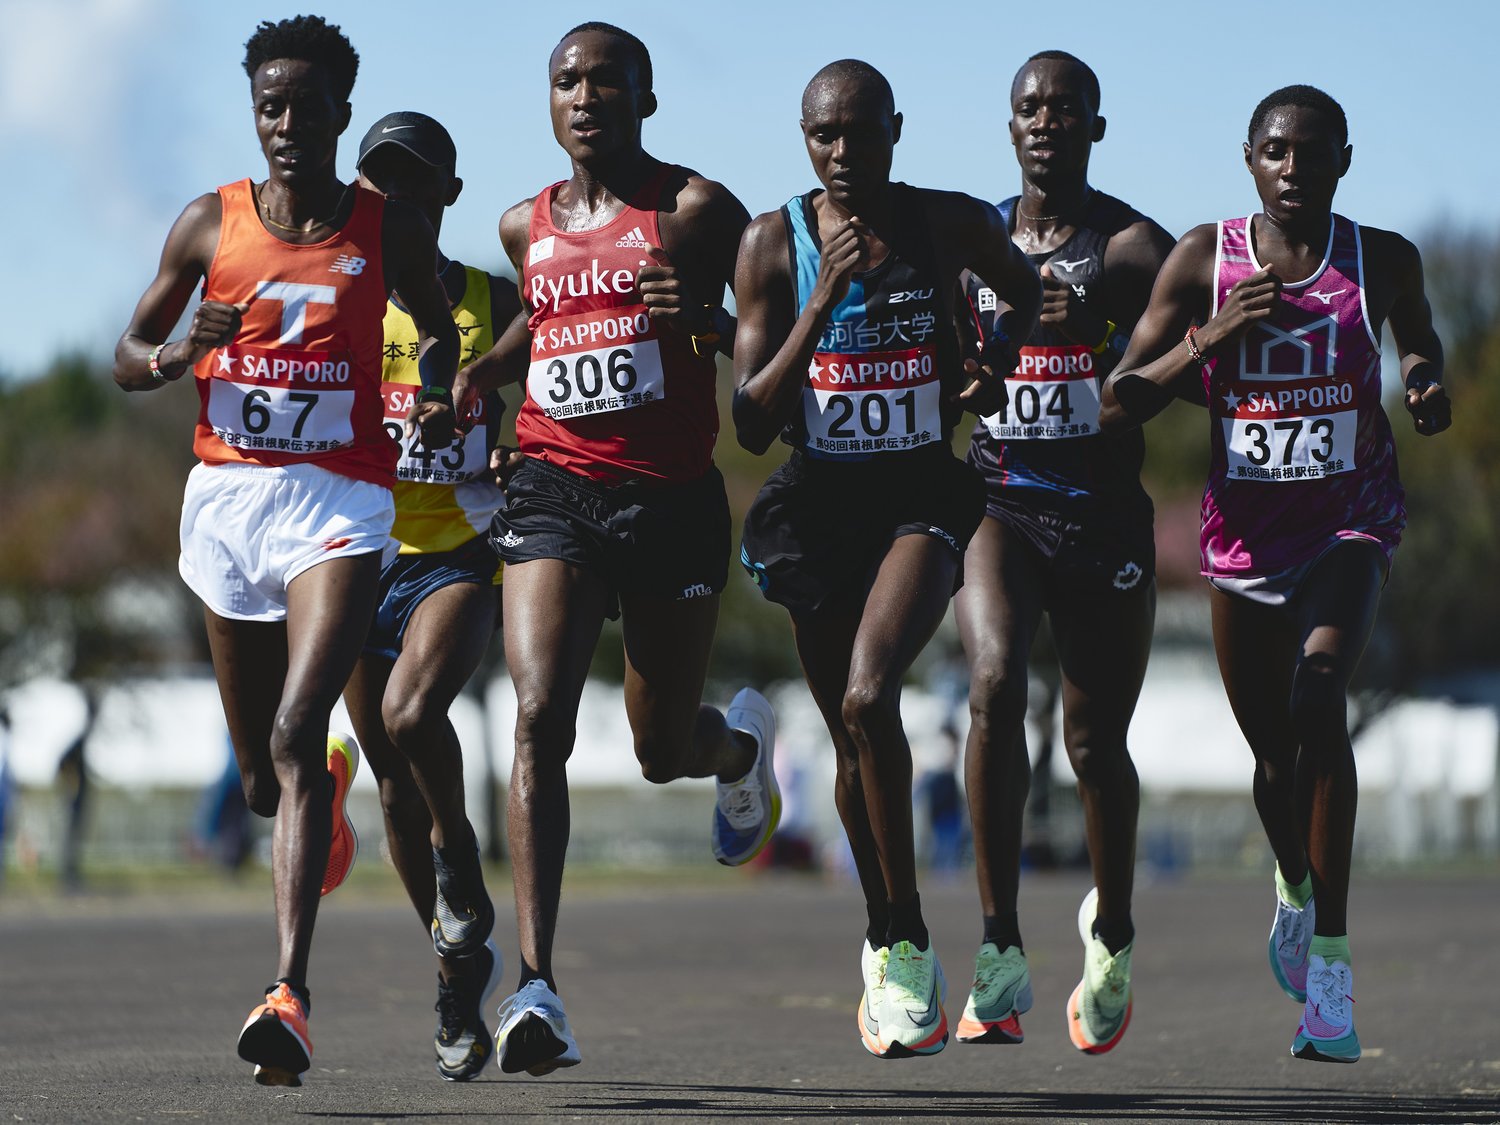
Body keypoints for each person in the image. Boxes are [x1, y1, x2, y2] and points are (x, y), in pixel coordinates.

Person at [113, 15, 459, 1086]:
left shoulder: (381, 224)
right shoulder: (207, 224)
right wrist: (177, 354)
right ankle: (315, 803)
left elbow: (438, 326)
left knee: (302, 729)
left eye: (310, 107)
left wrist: (438, 393)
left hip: (340, 506)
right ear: (254, 114)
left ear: (340, 116)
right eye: (273, 106)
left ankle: (289, 995)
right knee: (265, 779)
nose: (290, 124)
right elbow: (128, 354)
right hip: (227, 501)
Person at [450, 22, 775, 1078]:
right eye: (566, 82)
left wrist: (715, 325)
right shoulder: (521, 223)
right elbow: (543, 325)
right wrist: (484, 374)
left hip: (671, 503)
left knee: (657, 745)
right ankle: (535, 985)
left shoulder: (695, 212)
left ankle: (735, 757)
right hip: (551, 487)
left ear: (643, 100)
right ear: (549, 103)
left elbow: (764, 337)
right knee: (540, 713)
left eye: (605, 82)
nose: (584, 97)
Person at [1100, 85, 1451, 1064]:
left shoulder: (1381, 257)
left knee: (1321, 695)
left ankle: (1331, 973)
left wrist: (1422, 380)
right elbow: (1118, 398)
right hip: (1245, 547)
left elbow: (1416, 335)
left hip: (1349, 527)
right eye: (1276, 152)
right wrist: (1210, 338)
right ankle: (1295, 881)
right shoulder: (1205, 260)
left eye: (1313, 153)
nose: (1294, 168)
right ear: (1249, 159)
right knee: (1273, 760)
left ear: (1345, 160)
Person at [733, 58, 1041, 1060]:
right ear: (804, 140)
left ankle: (906, 940)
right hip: (821, 505)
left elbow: (1023, 290)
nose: (841, 154)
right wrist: (826, 304)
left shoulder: (946, 223)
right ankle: (888, 929)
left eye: (861, 134)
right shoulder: (772, 243)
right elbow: (750, 419)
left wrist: (996, 356)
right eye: (823, 136)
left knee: (871, 700)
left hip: (917, 491)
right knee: (849, 735)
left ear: (894, 133)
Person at [951, 52, 1174, 1055]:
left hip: (1101, 514)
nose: (1045, 121)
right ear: (1010, 129)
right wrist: (971, 378)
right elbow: (959, 367)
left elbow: (1175, 370)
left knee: (1092, 745)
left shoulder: (1132, 248)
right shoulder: (975, 240)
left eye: (1065, 109)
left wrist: (1100, 342)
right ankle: (998, 948)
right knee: (993, 683)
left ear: (1095, 127)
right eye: (1029, 108)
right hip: (1002, 498)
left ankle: (1113, 933)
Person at [344, 110, 522, 1081]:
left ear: (448, 199)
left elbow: (554, 411)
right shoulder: (347, 308)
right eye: (379, 187)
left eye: (414, 187)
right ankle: (455, 971)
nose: (393, 203)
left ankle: (463, 855)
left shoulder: (494, 303)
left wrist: (512, 444)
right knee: (390, 791)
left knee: (416, 716)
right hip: (357, 562)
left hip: (458, 555)